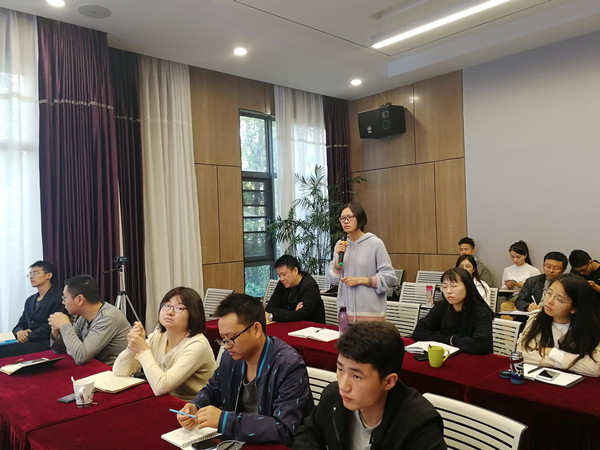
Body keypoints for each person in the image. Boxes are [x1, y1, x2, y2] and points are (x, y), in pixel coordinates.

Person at [175, 293, 313, 446]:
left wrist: (225, 420)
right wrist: (196, 406)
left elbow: (284, 429)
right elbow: (213, 389)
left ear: (256, 329)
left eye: (231, 338)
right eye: (222, 339)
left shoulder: (288, 365)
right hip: (238, 440)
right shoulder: (230, 358)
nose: (226, 346)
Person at [292, 321, 446, 450]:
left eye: (356, 376)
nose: (343, 386)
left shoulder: (419, 423)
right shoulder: (333, 396)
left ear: (388, 382)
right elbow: (307, 434)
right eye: (340, 369)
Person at [113, 287, 216, 401]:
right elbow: (119, 372)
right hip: (165, 400)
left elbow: (161, 387)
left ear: (193, 314)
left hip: (192, 406)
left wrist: (143, 350)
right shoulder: (158, 336)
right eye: (166, 305)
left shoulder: (197, 345)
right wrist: (132, 347)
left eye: (179, 308)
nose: (170, 312)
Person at [517, 273, 600, 377]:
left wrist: (551, 352)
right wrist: (558, 362)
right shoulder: (536, 318)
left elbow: (596, 369)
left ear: (574, 308)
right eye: (549, 293)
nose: (549, 301)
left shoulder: (591, 327)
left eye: (560, 299)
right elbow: (522, 354)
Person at [328, 202, 396, 322]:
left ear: (359, 218)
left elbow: (389, 278)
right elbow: (334, 280)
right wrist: (338, 261)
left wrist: (360, 280)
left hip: (371, 316)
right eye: (342, 218)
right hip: (346, 314)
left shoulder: (375, 243)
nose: (345, 221)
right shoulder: (340, 244)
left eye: (350, 217)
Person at [49, 274, 130, 365]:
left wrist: (65, 325)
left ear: (80, 299)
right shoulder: (84, 317)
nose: (63, 302)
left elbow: (81, 357)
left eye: (65, 298)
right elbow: (61, 350)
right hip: (95, 367)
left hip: (113, 371)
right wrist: (55, 332)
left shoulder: (108, 317)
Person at [413, 268, 493, 355]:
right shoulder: (441, 306)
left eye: (454, 286)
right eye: (444, 287)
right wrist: (451, 340)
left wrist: (453, 340)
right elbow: (419, 332)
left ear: (468, 287)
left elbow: (481, 345)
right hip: (448, 356)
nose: (448, 291)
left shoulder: (481, 312)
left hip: (473, 359)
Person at [0, 261, 66, 358]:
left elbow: (53, 325)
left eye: (35, 273)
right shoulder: (30, 300)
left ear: (49, 275)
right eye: (30, 274)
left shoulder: (59, 296)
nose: (31, 277)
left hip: (46, 342)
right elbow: (21, 323)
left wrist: (28, 335)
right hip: (28, 341)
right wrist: (19, 332)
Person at [265, 255, 325, 324]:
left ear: (295, 270)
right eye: (279, 276)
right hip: (291, 324)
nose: (281, 279)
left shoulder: (310, 286)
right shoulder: (282, 284)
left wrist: (272, 316)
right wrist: (293, 312)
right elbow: (270, 308)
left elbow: (302, 315)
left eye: (283, 274)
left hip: (312, 327)